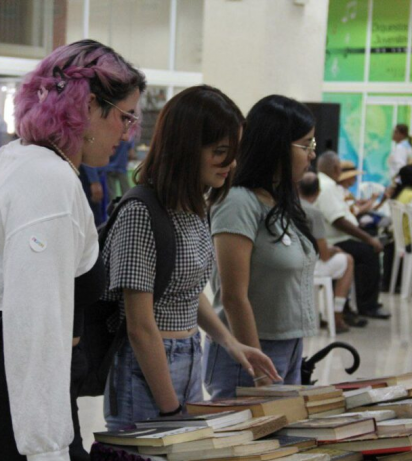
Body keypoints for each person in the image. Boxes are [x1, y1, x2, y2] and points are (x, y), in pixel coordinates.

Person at [0, 39, 146, 461]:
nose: (127, 133)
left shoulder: (15, 156)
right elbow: (36, 329)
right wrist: (47, 451)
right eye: (126, 117)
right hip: (5, 412)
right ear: (89, 106)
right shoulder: (50, 181)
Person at [101, 85, 280, 431]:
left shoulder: (194, 207)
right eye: (220, 152)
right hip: (147, 367)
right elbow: (140, 327)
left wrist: (230, 342)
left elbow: (186, 290)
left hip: (189, 355)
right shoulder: (140, 212)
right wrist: (170, 410)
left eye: (234, 152)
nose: (231, 164)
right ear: (185, 148)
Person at [203, 95, 318, 399]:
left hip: (288, 345)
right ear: (277, 144)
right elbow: (233, 297)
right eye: (305, 145)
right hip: (248, 350)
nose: (312, 154)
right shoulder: (238, 201)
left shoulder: (280, 201)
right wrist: (259, 370)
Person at [315, 151, 390, 320]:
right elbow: (338, 220)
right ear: (336, 168)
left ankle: (354, 305)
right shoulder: (327, 187)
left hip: (334, 238)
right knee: (369, 251)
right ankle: (367, 305)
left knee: (368, 243)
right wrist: (368, 239)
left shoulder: (326, 184)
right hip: (335, 240)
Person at [299, 172, 356, 334]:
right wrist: (334, 250)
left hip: (291, 263)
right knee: (347, 260)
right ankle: (337, 315)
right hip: (309, 267)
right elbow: (324, 255)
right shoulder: (314, 213)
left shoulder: (290, 206)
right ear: (318, 192)